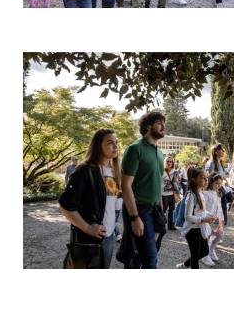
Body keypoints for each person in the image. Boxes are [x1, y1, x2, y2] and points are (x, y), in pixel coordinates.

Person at [59, 129, 121, 268]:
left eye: (116, 142)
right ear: (98, 145)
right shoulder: (85, 170)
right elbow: (65, 205)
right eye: (110, 142)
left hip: (109, 236)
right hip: (90, 240)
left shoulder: (114, 172)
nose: (115, 146)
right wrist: (87, 228)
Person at [119, 110, 166, 269]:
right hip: (138, 210)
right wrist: (134, 217)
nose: (163, 126)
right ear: (148, 126)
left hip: (154, 210)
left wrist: (160, 209)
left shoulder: (159, 152)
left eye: (163, 123)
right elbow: (125, 185)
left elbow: (157, 182)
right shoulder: (135, 149)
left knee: (138, 257)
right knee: (149, 259)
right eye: (158, 123)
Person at [176, 167, 217, 269]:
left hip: (200, 228)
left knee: (204, 251)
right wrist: (203, 220)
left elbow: (201, 211)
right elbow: (188, 217)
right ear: (194, 180)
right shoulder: (191, 196)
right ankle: (186, 266)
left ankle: (184, 265)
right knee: (195, 256)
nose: (206, 180)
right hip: (192, 230)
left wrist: (209, 215)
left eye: (206, 177)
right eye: (202, 178)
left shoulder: (200, 193)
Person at [202, 172, 226, 264]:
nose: (218, 185)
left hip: (217, 219)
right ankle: (205, 255)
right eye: (216, 183)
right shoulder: (205, 193)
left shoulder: (218, 193)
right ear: (211, 182)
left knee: (219, 235)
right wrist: (207, 216)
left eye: (220, 184)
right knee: (207, 237)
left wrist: (221, 218)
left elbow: (219, 207)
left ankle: (211, 250)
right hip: (208, 219)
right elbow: (202, 208)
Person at [205, 144, 230, 226]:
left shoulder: (220, 162)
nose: (223, 151)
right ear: (216, 151)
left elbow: (222, 175)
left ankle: (220, 223)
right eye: (222, 150)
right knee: (216, 207)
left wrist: (226, 181)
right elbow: (209, 177)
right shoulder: (211, 163)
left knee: (222, 206)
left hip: (220, 188)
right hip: (214, 190)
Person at [161, 156, 180, 231]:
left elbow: (176, 182)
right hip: (163, 194)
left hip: (172, 193)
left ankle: (171, 225)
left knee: (172, 209)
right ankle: (161, 225)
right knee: (163, 210)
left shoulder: (175, 171)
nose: (169, 163)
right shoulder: (161, 171)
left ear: (172, 163)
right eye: (167, 161)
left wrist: (177, 192)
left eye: (171, 161)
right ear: (165, 162)